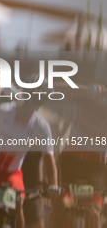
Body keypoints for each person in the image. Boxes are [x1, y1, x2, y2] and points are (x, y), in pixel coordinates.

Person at [0, 79, 58, 228]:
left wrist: (53, 185)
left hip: (11, 176)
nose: (27, 106)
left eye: (33, 103)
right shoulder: (3, 110)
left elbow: (49, 158)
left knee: (16, 207)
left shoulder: (41, 125)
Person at [50, 83, 107, 228]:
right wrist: (85, 89)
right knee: (60, 207)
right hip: (70, 162)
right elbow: (55, 88)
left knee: (93, 213)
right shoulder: (86, 99)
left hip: (95, 169)